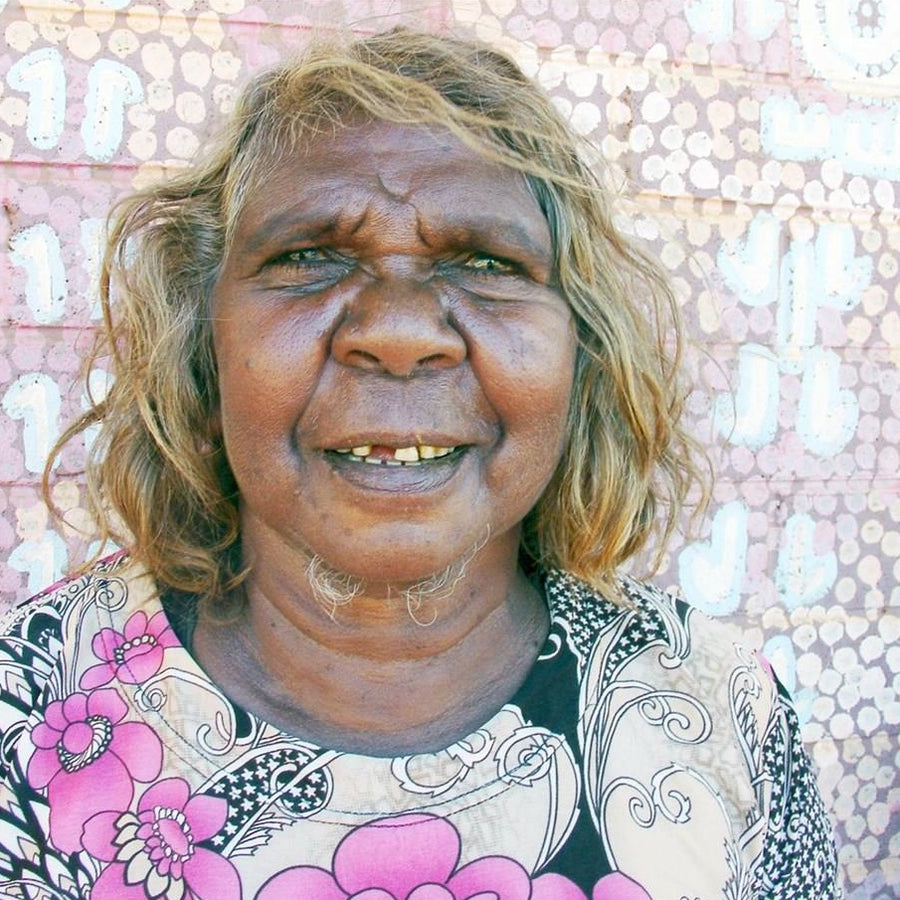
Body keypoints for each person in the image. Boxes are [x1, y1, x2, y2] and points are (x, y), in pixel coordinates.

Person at [0, 28, 840, 900]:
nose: (398, 332)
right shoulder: (25, 716)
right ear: (201, 348)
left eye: (485, 263)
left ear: (578, 359)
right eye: (308, 257)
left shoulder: (720, 713)